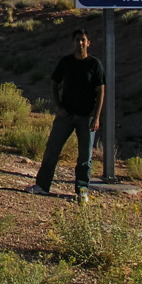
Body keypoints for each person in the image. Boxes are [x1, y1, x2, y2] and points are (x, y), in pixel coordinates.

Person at [27, 28, 106, 203]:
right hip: (66, 115)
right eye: (77, 40)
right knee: (52, 149)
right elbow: (54, 82)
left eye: (83, 40)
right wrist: (58, 106)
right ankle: (42, 186)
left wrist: (97, 116)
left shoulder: (95, 64)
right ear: (73, 42)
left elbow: (100, 91)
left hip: (87, 117)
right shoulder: (66, 62)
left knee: (85, 156)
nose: (80, 43)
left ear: (88, 43)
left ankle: (82, 190)